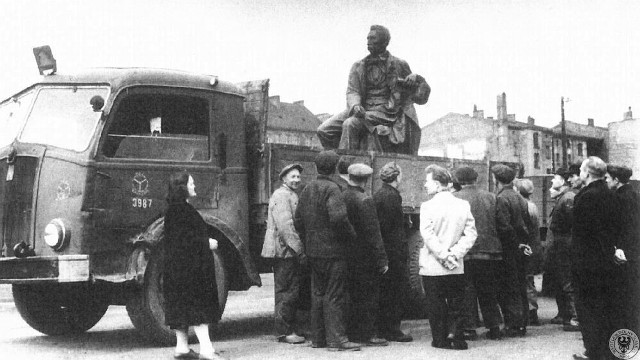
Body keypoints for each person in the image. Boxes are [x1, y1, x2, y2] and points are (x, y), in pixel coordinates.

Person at [316, 25, 430, 154]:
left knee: (350, 124)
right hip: (362, 108)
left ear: (385, 42)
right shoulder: (358, 66)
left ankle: (346, 165)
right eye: (367, 38)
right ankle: (333, 161)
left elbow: (420, 96)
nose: (368, 42)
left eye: (372, 38)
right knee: (324, 130)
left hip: (386, 112)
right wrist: (355, 105)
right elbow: (352, 90)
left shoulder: (399, 64)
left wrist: (417, 78)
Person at [293, 150, 361, 352]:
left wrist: (309, 241)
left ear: (316, 167)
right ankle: (337, 341)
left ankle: (318, 339)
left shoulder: (307, 188)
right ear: (334, 168)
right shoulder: (333, 189)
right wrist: (351, 236)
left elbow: (297, 221)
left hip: (313, 252)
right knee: (334, 295)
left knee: (318, 294)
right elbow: (339, 218)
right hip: (333, 252)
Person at [163, 171, 225, 360]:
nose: (194, 186)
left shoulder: (173, 209)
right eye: (191, 184)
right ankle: (207, 351)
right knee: (198, 307)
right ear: (183, 188)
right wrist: (206, 243)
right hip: (190, 271)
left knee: (181, 308)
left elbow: (178, 240)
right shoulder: (184, 210)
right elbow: (186, 240)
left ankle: (182, 348)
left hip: (176, 270)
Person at [419, 165, 477, 350]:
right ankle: (457, 337)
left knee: (435, 304)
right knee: (457, 303)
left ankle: (440, 339)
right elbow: (471, 234)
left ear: (437, 184)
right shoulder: (462, 205)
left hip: (433, 266)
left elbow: (427, 235)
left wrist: (443, 256)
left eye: (427, 181)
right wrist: (455, 255)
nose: (425, 185)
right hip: (455, 265)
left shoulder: (427, 206)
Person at [571, 157, 621, 360]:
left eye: (581, 171)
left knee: (588, 308)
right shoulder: (610, 194)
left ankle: (593, 351)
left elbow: (583, 233)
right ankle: (607, 351)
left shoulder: (586, 197)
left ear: (587, 173)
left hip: (587, 262)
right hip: (606, 259)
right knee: (604, 306)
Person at [453, 166, 504, 341]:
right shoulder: (491, 197)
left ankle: (469, 328)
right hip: (489, 252)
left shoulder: (455, 198)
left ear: (459, 181)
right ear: (476, 179)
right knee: (488, 289)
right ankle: (494, 327)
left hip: (465, 252)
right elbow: (501, 224)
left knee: (466, 289)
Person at [342, 163, 389, 346]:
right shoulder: (365, 200)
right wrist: (382, 259)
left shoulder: (342, 196)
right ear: (366, 180)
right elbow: (373, 233)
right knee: (368, 296)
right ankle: (367, 334)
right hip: (365, 258)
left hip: (348, 254)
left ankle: (351, 332)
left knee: (351, 295)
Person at [261, 163, 307, 344]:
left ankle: (287, 328)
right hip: (284, 252)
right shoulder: (281, 195)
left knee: (289, 290)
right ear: (284, 179)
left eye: (298, 177)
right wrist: (299, 250)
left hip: (286, 251)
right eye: (293, 177)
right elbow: (285, 227)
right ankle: (284, 331)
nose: (296, 180)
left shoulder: (289, 194)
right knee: (287, 291)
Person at [373, 162, 414, 342]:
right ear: (397, 178)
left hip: (386, 250)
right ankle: (392, 330)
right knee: (394, 292)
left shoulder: (380, 194)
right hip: (393, 252)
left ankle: (384, 328)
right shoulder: (391, 196)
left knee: (385, 291)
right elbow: (392, 228)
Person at [491, 164, 530, 337]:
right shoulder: (519, 197)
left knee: (508, 288)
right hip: (520, 248)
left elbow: (504, 227)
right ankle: (522, 323)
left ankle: (513, 325)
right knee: (519, 286)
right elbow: (525, 223)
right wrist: (522, 244)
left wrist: (514, 245)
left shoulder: (501, 198)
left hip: (508, 250)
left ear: (496, 180)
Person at [606, 165, 640, 335]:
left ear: (616, 180)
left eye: (607, 178)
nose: (605, 181)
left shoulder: (619, 198)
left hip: (624, 252)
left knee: (623, 294)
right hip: (634, 250)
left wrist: (619, 247)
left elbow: (622, 227)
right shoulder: (634, 194)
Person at [546, 168, 580, 331]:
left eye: (556, 178)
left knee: (568, 281)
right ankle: (569, 315)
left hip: (566, 246)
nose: (552, 181)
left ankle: (575, 317)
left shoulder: (568, 198)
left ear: (564, 181)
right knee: (564, 281)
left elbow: (573, 224)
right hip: (562, 245)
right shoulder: (565, 197)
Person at [514, 178, 543, 326]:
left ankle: (530, 311)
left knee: (526, 279)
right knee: (529, 279)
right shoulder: (533, 206)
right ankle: (532, 311)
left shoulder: (524, 206)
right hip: (534, 246)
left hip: (526, 247)